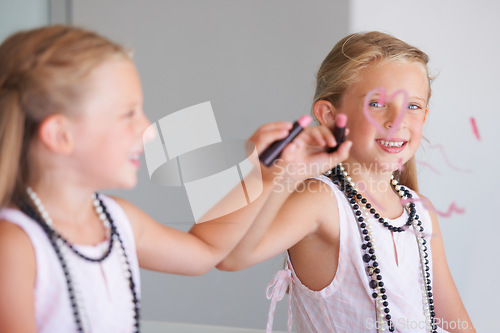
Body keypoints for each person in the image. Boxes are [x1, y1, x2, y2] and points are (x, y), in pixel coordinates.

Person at [0, 25, 350, 332]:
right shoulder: (14, 245)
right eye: (127, 114)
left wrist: (267, 174)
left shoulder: (115, 219)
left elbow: (204, 251)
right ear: (60, 134)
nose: (146, 129)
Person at [217, 32, 475, 333]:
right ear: (329, 115)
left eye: (413, 106)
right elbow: (230, 255)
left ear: (425, 115)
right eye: (377, 103)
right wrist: (272, 174)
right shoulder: (322, 200)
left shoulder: (421, 212)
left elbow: (455, 324)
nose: (397, 120)